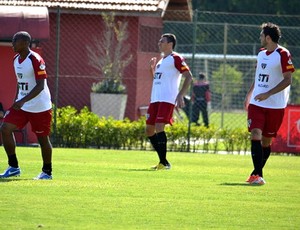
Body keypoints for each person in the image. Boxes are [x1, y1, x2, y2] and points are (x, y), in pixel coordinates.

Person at [244, 22, 295, 185]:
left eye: (261, 35)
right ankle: (257, 175)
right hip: (256, 104)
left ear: (267, 37)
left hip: (275, 105)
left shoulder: (283, 54)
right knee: (255, 134)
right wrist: (249, 94)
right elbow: (258, 76)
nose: (259, 38)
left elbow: (288, 80)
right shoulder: (260, 54)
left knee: (266, 142)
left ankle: (255, 173)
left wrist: (268, 93)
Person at [0, 31, 53, 180]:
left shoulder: (36, 59)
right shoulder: (16, 59)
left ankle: (47, 172)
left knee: (42, 139)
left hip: (40, 106)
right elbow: (20, 81)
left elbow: (40, 86)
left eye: (15, 41)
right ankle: (13, 167)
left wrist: (23, 100)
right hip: (22, 106)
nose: (12, 44)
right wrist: (17, 99)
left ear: (24, 43)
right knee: (5, 128)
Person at [146, 33, 193, 170]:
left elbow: (188, 77)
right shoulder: (161, 61)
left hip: (167, 98)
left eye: (162, 41)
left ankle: (163, 163)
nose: (159, 43)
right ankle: (164, 161)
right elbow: (157, 80)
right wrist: (152, 70)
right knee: (149, 130)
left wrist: (180, 95)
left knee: (159, 127)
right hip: (155, 99)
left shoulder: (176, 58)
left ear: (170, 44)